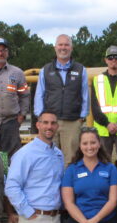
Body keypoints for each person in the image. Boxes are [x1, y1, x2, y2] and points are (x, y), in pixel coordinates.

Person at [34, 34, 89, 164]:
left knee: (71, 158)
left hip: (72, 121)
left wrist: (82, 116)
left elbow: (85, 94)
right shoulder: (45, 70)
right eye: (60, 44)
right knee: (48, 156)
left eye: (66, 45)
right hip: (50, 121)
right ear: (55, 47)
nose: (63, 48)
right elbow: (39, 94)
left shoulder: (81, 69)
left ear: (71, 48)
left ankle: (68, 184)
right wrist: (40, 116)